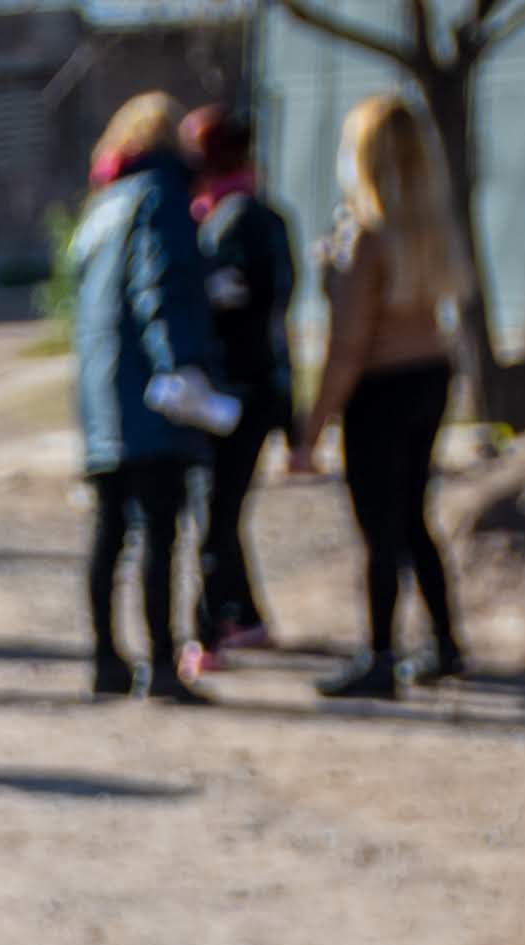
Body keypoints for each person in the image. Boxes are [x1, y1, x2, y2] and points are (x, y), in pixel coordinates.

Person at [298, 90, 471, 699]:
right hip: (431, 374)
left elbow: (347, 345)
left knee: (381, 527)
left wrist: (311, 428)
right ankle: (446, 643)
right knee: (415, 514)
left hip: (381, 387)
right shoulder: (430, 227)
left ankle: (379, 654)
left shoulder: (366, 237)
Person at [66, 93, 223, 704]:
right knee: (160, 533)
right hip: (151, 397)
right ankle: (161, 664)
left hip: (103, 396)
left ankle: (107, 659)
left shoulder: (101, 207)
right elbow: (160, 288)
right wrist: (183, 369)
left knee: (110, 532)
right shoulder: (161, 198)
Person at [181, 103, 297, 667]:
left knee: (215, 514)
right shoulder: (269, 216)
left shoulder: (228, 222)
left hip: (231, 395)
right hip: (262, 389)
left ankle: (210, 633)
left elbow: (239, 316)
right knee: (224, 511)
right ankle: (246, 617)